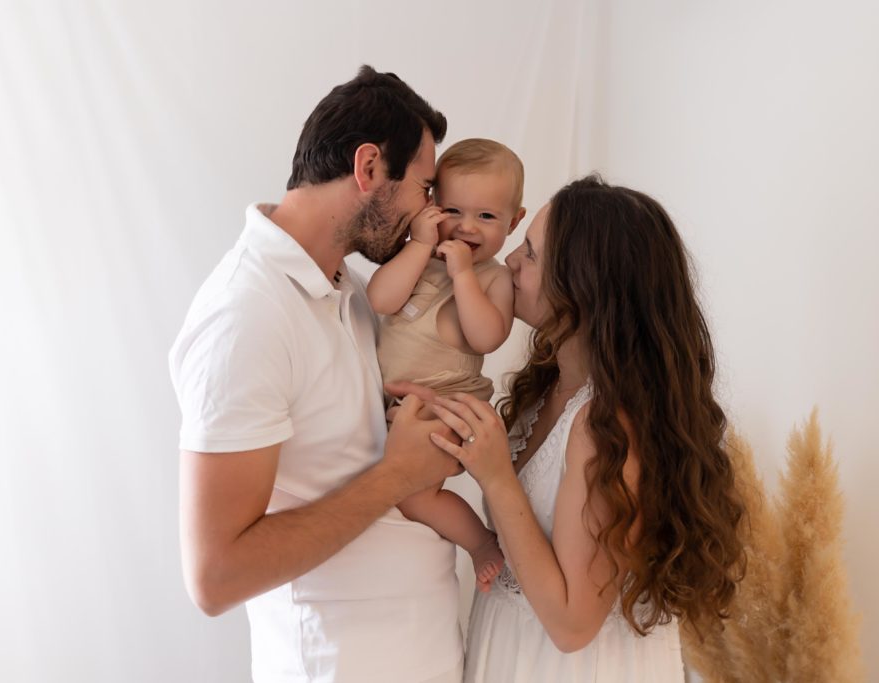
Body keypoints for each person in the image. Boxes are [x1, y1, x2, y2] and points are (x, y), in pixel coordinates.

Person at [168, 66, 469, 683]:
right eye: (424, 186)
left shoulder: (352, 290)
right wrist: (398, 476)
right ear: (368, 169)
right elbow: (215, 576)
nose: (430, 210)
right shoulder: (245, 315)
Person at [390, 175, 746, 682]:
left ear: (585, 285)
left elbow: (573, 624)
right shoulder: (547, 390)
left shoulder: (608, 425)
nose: (510, 260)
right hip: (513, 651)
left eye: (532, 254)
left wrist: (496, 476)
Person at [367, 138, 526, 591]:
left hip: (449, 407)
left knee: (416, 497)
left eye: (487, 216)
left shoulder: (495, 278)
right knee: (390, 491)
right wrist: (419, 246)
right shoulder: (418, 258)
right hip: (401, 408)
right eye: (453, 210)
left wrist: (462, 276)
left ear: (514, 221)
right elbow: (381, 299)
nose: (466, 228)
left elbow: (487, 336)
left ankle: (480, 544)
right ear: (432, 205)